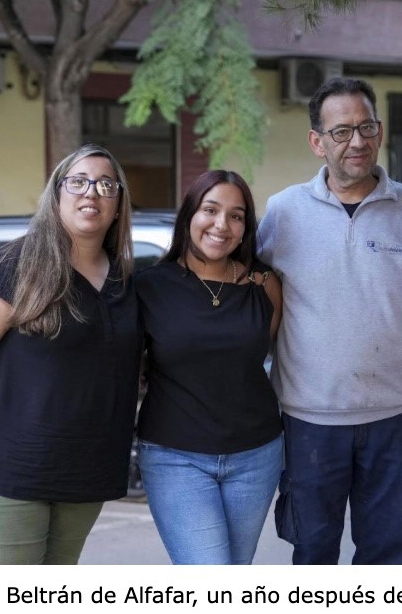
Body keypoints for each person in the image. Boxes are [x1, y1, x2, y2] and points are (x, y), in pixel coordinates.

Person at [257, 77, 402, 565]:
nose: (358, 142)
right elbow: (255, 307)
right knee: (313, 552)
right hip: (308, 423)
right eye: (342, 131)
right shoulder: (283, 213)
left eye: (366, 127)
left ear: (380, 131)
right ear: (316, 141)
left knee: (385, 553)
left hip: (394, 420)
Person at [0, 143, 141, 564]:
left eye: (106, 184)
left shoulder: (125, 280)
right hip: (8, 472)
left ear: (119, 203)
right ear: (57, 194)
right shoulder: (16, 264)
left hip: (85, 475)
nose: (92, 193)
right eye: (79, 182)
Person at [135, 170, 283, 564]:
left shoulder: (263, 284)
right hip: (175, 456)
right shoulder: (148, 286)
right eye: (210, 210)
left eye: (236, 216)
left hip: (258, 454)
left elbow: (265, 354)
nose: (222, 225)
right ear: (189, 216)